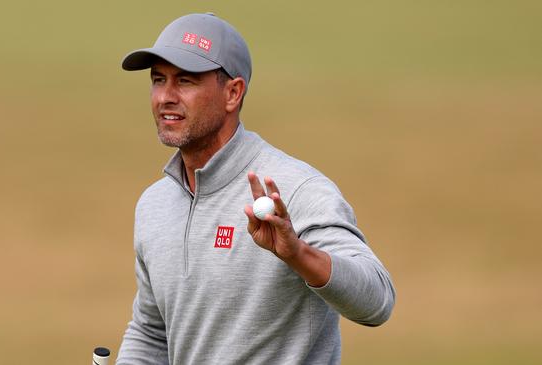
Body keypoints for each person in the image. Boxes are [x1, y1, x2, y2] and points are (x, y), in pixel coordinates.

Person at [116, 13, 395, 365]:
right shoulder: (154, 205)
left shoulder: (295, 190)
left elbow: (378, 301)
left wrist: (298, 255)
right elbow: (151, 333)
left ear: (233, 93)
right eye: (158, 80)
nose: (165, 97)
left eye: (185, 81)